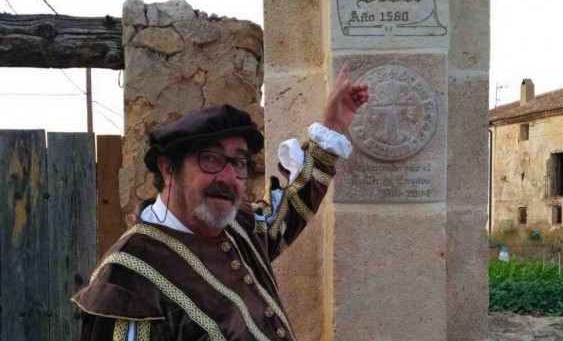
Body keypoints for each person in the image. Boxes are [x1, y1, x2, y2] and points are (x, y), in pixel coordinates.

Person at [72, 66, 369, 340]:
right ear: (168, 169)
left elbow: (284, 216)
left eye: (239, 163)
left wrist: (331, 129)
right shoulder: (126, 279)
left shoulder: (238, 225)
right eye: (211, 160)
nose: (229, 177)